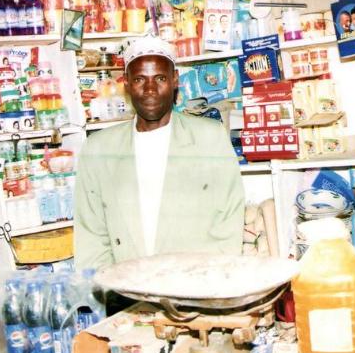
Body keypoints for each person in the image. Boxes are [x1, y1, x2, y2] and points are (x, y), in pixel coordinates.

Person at [74, 35, 245, 272]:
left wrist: (211, 280)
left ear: (175, 80)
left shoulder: (209, 137)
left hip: (196, 284)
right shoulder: (98, 149)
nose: (150, 89)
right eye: (140, 79)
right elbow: (91, 235)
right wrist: (112, 286)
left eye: (160, 78)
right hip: (127, 286)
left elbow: (229, 219)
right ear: (127, 83)